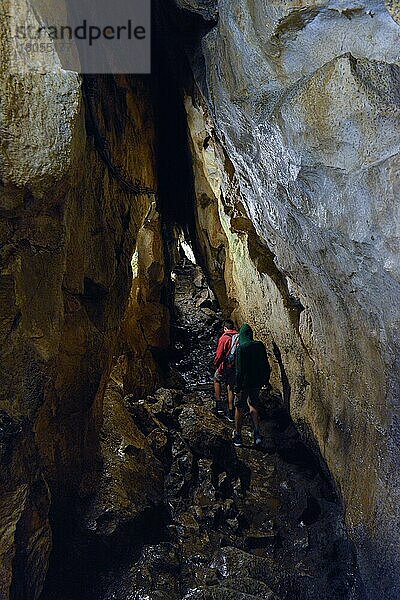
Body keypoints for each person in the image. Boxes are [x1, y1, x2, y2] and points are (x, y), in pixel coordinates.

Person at [232, 323, 271, 447]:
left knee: (239, 407)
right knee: (253, 405)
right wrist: (265, 381)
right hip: (256, 382)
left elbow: (239, 371)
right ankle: (257, 434)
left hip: (244, 384)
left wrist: (236, 387)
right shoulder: (260, 346)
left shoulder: (241, 348)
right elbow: (266, 365)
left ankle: (238, 435)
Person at [213, 319, 239, 422]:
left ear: (225, 328)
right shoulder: (239, 337)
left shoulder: (224, 338)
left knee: (216, 379)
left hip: (225, 366)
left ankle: (219, 405)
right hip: (235, 366)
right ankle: (231, 412)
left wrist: (215, 364)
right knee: (230, 388)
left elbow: (219, 355)